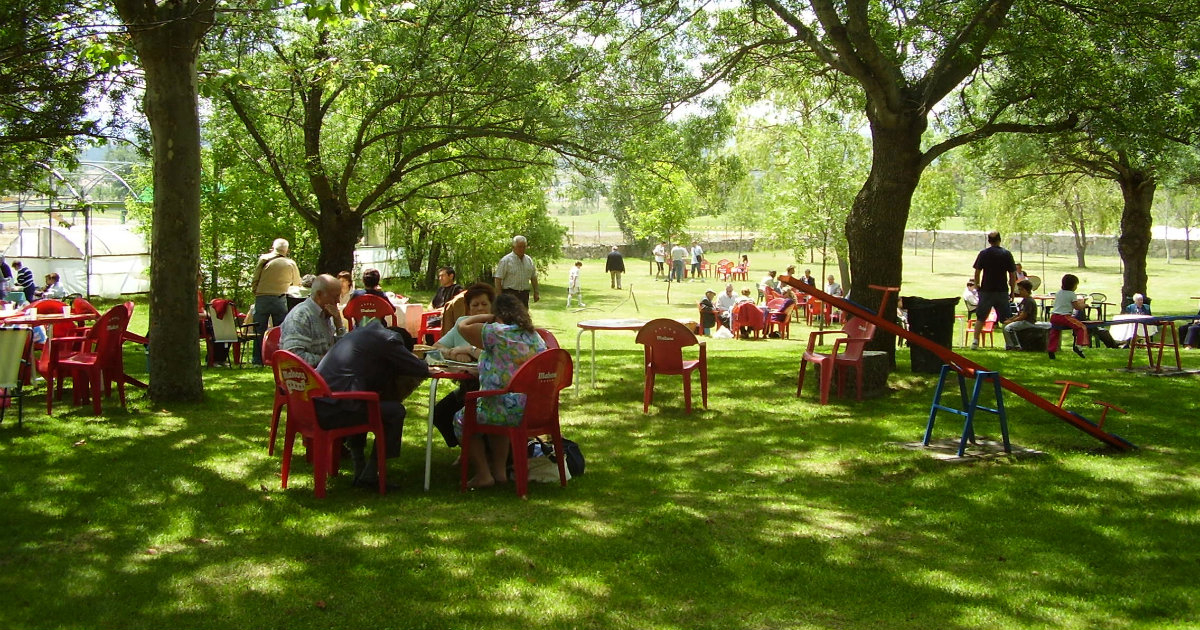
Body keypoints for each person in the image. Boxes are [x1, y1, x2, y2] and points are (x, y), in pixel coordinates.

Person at [315, 321, 432, 489]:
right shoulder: (390, 340)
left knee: (366, 403)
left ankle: (360, 468)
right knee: (394, 412)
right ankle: (370, 474)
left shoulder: (361, 334)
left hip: (319, 403)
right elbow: (419, 368)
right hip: (337, 407)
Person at [453, 293, 547, 488]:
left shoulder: (497, 333)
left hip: (503, 407)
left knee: (461, 419)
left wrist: (487, 318)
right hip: (532, 408)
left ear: (498, 314)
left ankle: (483, 474)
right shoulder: (534, 335)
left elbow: (462, 326)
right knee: (497, 418)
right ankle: (500, 472)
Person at [431, 283, 495, 447]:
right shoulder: (462, 324)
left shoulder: (497, 328)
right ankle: (466, 449)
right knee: (439, 413)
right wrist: (453, 352)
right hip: (467, 387)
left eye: (484, 304)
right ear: (468, 309)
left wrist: (469, 350)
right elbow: (435, 349)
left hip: (492, 391)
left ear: (492, 306)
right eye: (475, 305)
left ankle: (480, 453)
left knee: (470, 417)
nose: (480, 309)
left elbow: (498, 358)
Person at [251, 238, 303, 365]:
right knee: (280, 330)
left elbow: (255, 277)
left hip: (262, 297)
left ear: (273, 247)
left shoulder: (264, 259)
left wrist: (256, 290)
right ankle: (278, 357)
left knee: (259, 330)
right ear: (287, 250)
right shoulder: (290, 263)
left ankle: (257, 359)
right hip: (280, 298)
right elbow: (297, 283)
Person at [279, 274, 346, 366]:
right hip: (305, 376)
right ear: (319, 295)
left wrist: (338, 323)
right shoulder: (300, 316)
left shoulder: (325, 314)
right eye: (335, 297)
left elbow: (342, 351)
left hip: (324, 371)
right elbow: (293, 358)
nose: (338, 301)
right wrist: (327, 360)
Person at [971, 231, 1017, 350]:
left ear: (989, 241)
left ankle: (975, 341)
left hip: (986, 290)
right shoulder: (1006, 254)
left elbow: (977, 271)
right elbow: (1012, 274)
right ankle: (1009, 343)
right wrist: (1012, 291)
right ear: (999, 240)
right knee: (1006, 318)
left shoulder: (983, 254)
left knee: (981, 317)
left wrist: (977, 285)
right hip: (1001, 290)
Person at [1047, 273, 1089, 360]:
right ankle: (1079, 345)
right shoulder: (1071, 294)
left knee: (1055, 333)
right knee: (1081, 327)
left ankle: (1051, 350)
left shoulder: (1058, 292)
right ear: (1072, 285)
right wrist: (1085, 305)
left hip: (1054, 316)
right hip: (1064, 316)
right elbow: (1076, 307)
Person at [1002, 279, 1048, 350]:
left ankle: (1016, 346)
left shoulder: (1029, 301)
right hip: (1023, 321)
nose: (1019, 291)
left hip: (1028, 322)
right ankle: (1009, 344)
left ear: (1026, 290)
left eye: (1021, 290)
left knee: (1009, 328)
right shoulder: (1024, 300)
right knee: (1005, 325)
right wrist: (1010, 319)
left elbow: (1023, 316)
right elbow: (1019, 314)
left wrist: (1011, 321)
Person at [494, 235, 539, 306]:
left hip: (524, 295)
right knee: (510, 316)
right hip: (510, 295)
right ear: (513, 247)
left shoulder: (529, 260)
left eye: (524, 247)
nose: (522, 249)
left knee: (523, 316)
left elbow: (533, 277)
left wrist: (536, 292)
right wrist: (499, 296)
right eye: (519, 247)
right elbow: (498, 279)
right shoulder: (506, 260)